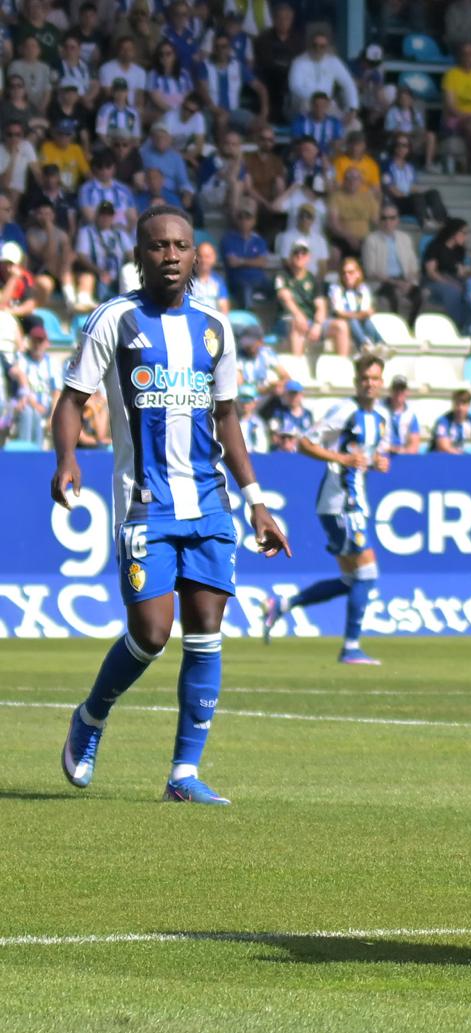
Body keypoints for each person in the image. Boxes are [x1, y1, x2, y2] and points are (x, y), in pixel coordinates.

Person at [51, 203, 289, 806]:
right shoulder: (115, 320)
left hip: (210, 502)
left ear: (196, 254)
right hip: (146, 503)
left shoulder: (214, 328)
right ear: (139, 256)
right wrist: (67, 459)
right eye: (158, 246)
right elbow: (73, 399)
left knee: (206, 631)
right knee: (152, 633)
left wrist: (256, 501)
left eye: (181, 245)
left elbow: (228, 417)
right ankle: (92, 715)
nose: (171, 255)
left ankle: (183, 774)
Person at [261, 355, 390, 665]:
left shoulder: (381, 417)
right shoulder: (345, 411)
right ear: (356, 380)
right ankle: (350, 648)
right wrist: (341, 459)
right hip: (340, 504)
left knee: (351, 580)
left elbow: (361, 457)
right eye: (364, 378)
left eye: (374, 379)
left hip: (355, 502)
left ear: (381, 382)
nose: (369, 384)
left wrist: (375, 463)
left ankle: (283, 604)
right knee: (368, 573)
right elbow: (305, 443)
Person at [432, 388, 471, 454]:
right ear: (453, 404)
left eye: (464, 404)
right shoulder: (443, 421)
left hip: (461, 458)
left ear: (469, 405)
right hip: (441, 458)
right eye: (457, 404)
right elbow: (443, 447)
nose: (460, 408)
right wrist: (463, 456)